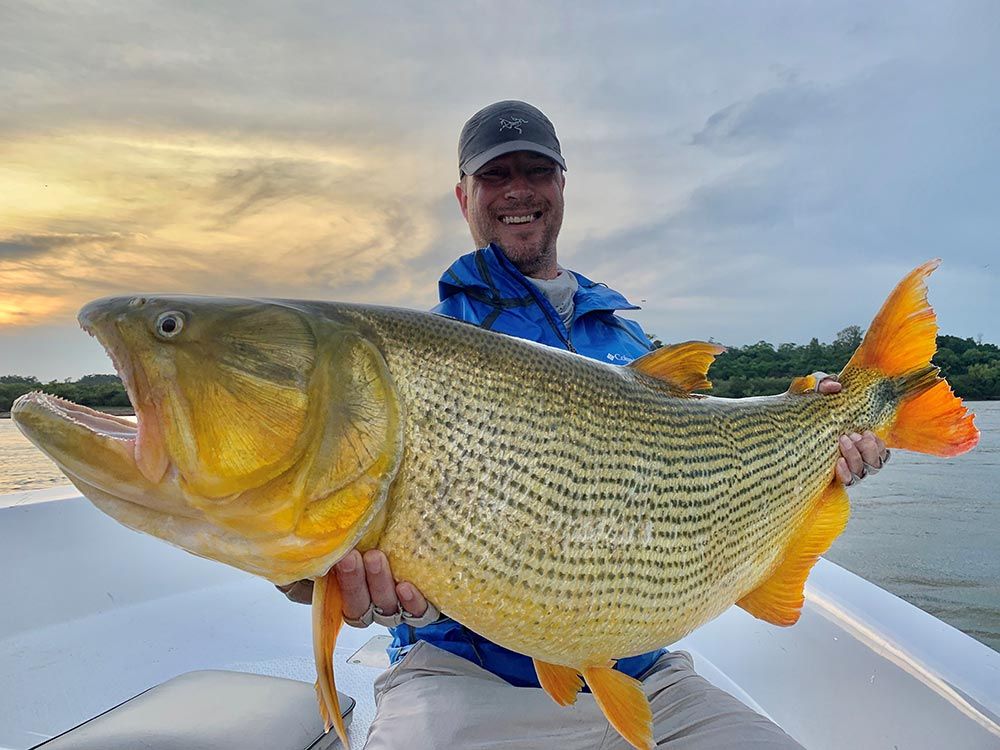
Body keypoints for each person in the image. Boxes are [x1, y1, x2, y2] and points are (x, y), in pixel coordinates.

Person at [280, 100, 889, 748]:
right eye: (495, 175)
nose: (518, 189)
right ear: (463, 196)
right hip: (465, 680)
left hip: (643, 675)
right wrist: (321, 579)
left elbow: (713, 455)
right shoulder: (425, 353)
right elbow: (302, 550)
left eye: (536, 171)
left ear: (561, 186)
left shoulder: (628, 340)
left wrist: (819, 427)